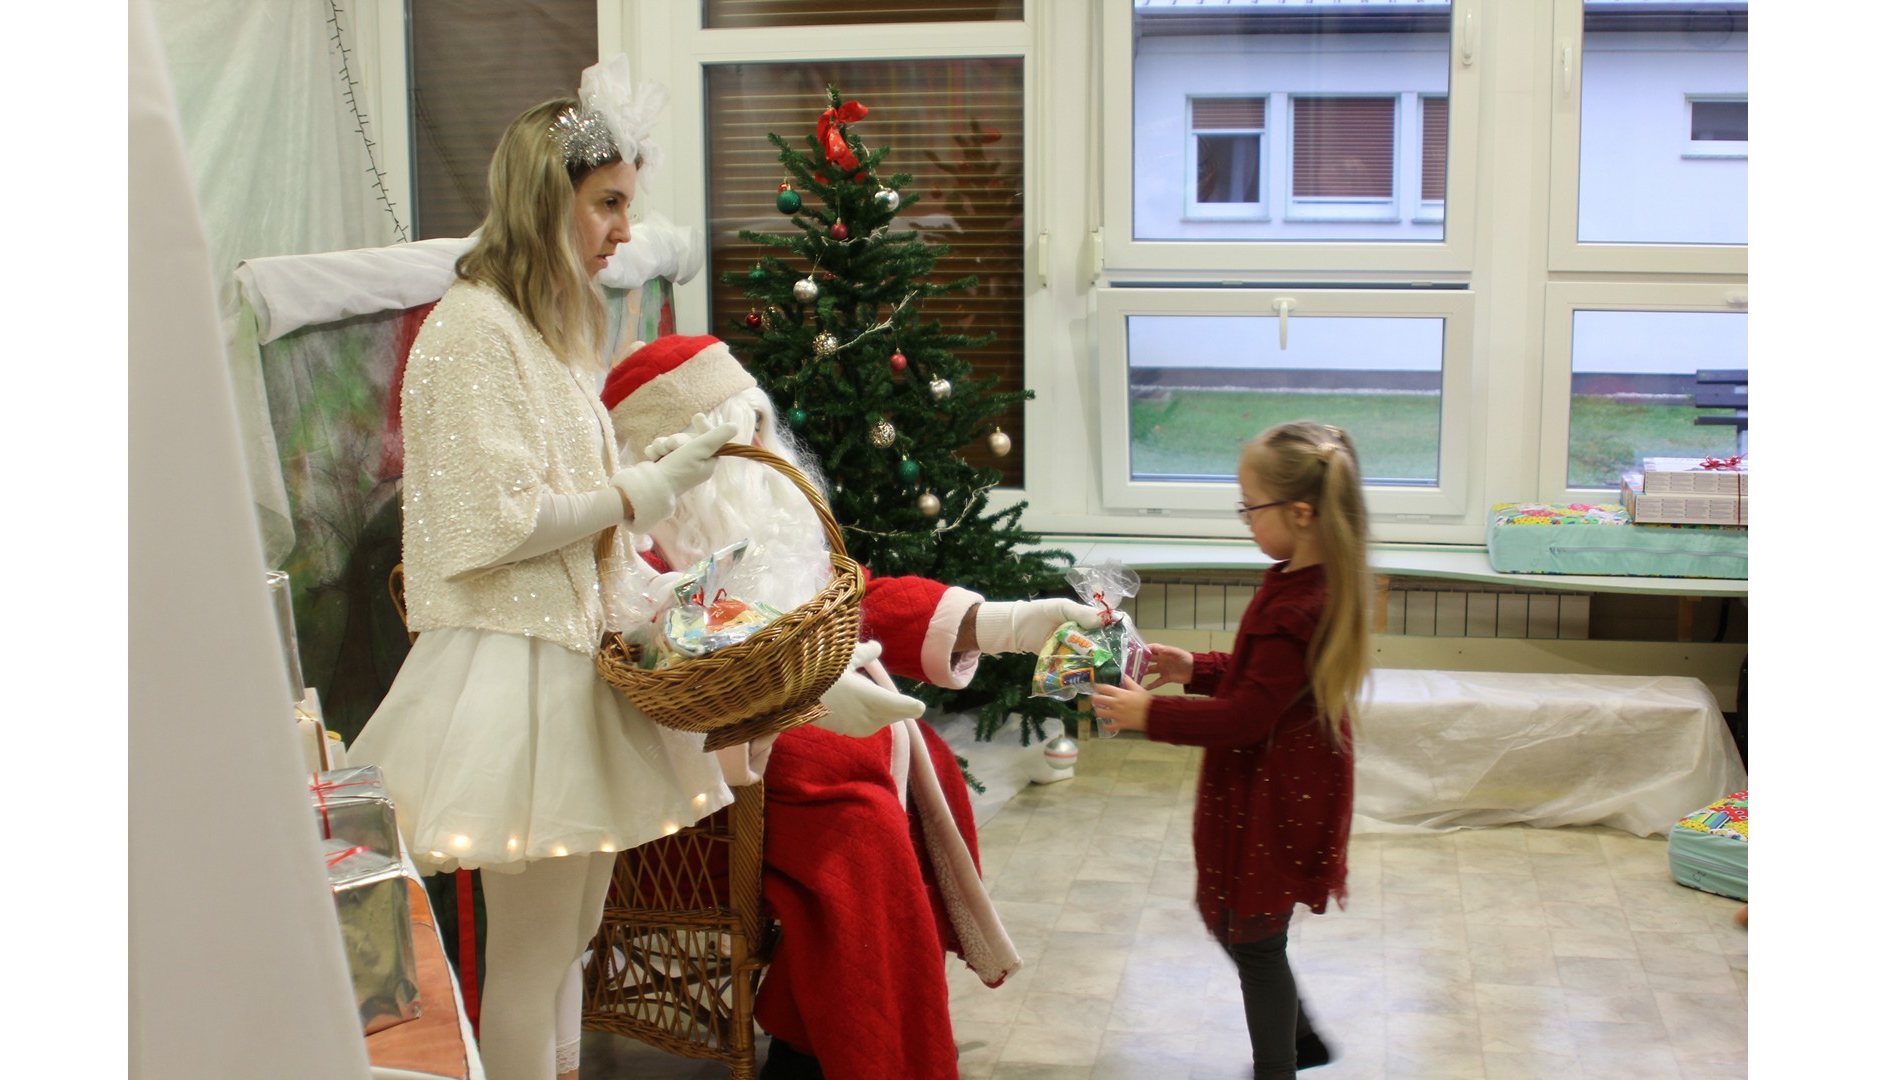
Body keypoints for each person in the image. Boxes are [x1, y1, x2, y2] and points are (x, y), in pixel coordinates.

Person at [347, 58, 742, 1080]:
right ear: (542, 198)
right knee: (529, 960)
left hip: (569, 658)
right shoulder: (473, 331)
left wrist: (649, 481)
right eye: (607, 202)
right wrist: (644, 492)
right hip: (516, 669)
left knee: (569, 938)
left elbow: (567, 486)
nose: (622, 229)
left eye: (626, 204)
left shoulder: (538, 326)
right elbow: (501, 522)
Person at [599, 333, 1104, 1080]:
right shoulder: (634, 552)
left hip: (774, 758)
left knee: (914, 768)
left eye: (764, 426)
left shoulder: (766, 524)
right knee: (857, 825)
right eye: (743, 435)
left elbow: (853, 599)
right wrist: (811, 697)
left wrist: (1006, 623)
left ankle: (814, 1036)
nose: (764, 452)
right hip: (701, 790)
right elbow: (667, 664)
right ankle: (863, 1050)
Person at [1091, 420, 1373, 1078]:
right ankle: (1303, 1040)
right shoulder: (1300, 579)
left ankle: (1281, 1064)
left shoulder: (1298, 604)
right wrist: (1196, 668)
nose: (1245, 519)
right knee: (1240, 924)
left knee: (1254, 937)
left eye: (1251, 507)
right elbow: (1266, 682)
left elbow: (1248, 716)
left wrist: (1150, 714)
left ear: (1301, 513)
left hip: (1275, 789)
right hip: (1276, 777)